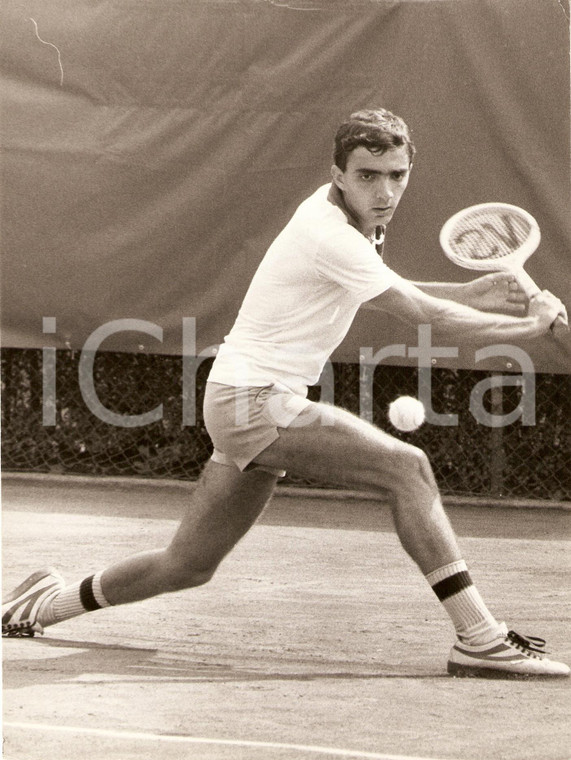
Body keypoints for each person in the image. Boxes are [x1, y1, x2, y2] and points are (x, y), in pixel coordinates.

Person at [3, 108, 569, 678]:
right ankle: (479, 636)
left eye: (397, 175)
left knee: (188, 564)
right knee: (408, 468)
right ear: (339, 174)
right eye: (369, 175)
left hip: (240, 397)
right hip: (254, 398)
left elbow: (388, 288)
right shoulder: (328, 233)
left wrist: (472, 293)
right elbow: (421, 314)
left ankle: (43, 603)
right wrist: (528, 327)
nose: (385, 190)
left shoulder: (347, 219)